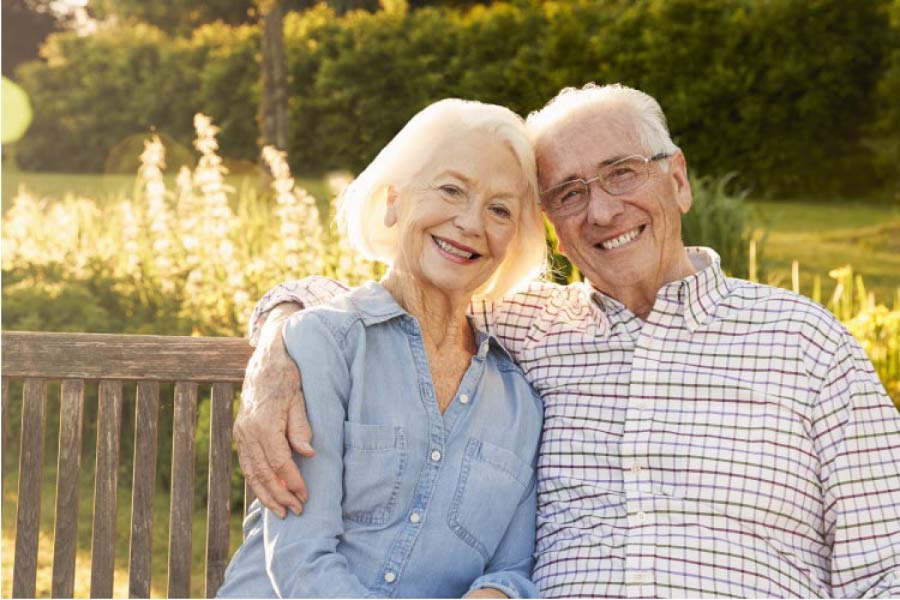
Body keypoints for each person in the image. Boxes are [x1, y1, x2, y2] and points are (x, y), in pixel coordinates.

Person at [235, 84, 900, 597]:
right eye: (570, 193)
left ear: (677, 178)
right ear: (550, 223)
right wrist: (273, 351)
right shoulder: (532, 327)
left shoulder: (804, 342)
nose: (602, 211)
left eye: (621, 174)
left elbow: (887, 564)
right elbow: (385, 299)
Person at [217, 98, 548, 598]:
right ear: (394, 200)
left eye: (499, 209)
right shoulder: (326, 343)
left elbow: (512, 568)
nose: (470, 222)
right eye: (452, 189)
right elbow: (301, 561)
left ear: (514, 240)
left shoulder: (520, 401)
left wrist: (499, 593)